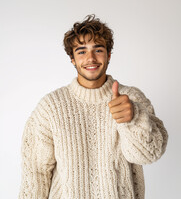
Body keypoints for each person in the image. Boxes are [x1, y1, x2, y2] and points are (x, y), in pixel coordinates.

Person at [19, 15, 168, 199]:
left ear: (108, 55)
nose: (90, 58)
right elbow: (36, 174)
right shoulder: (51, 107)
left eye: (98, 50)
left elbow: (148, 155)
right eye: (81, 51)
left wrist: (133, 118)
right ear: (72, 59)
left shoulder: (131, 99)